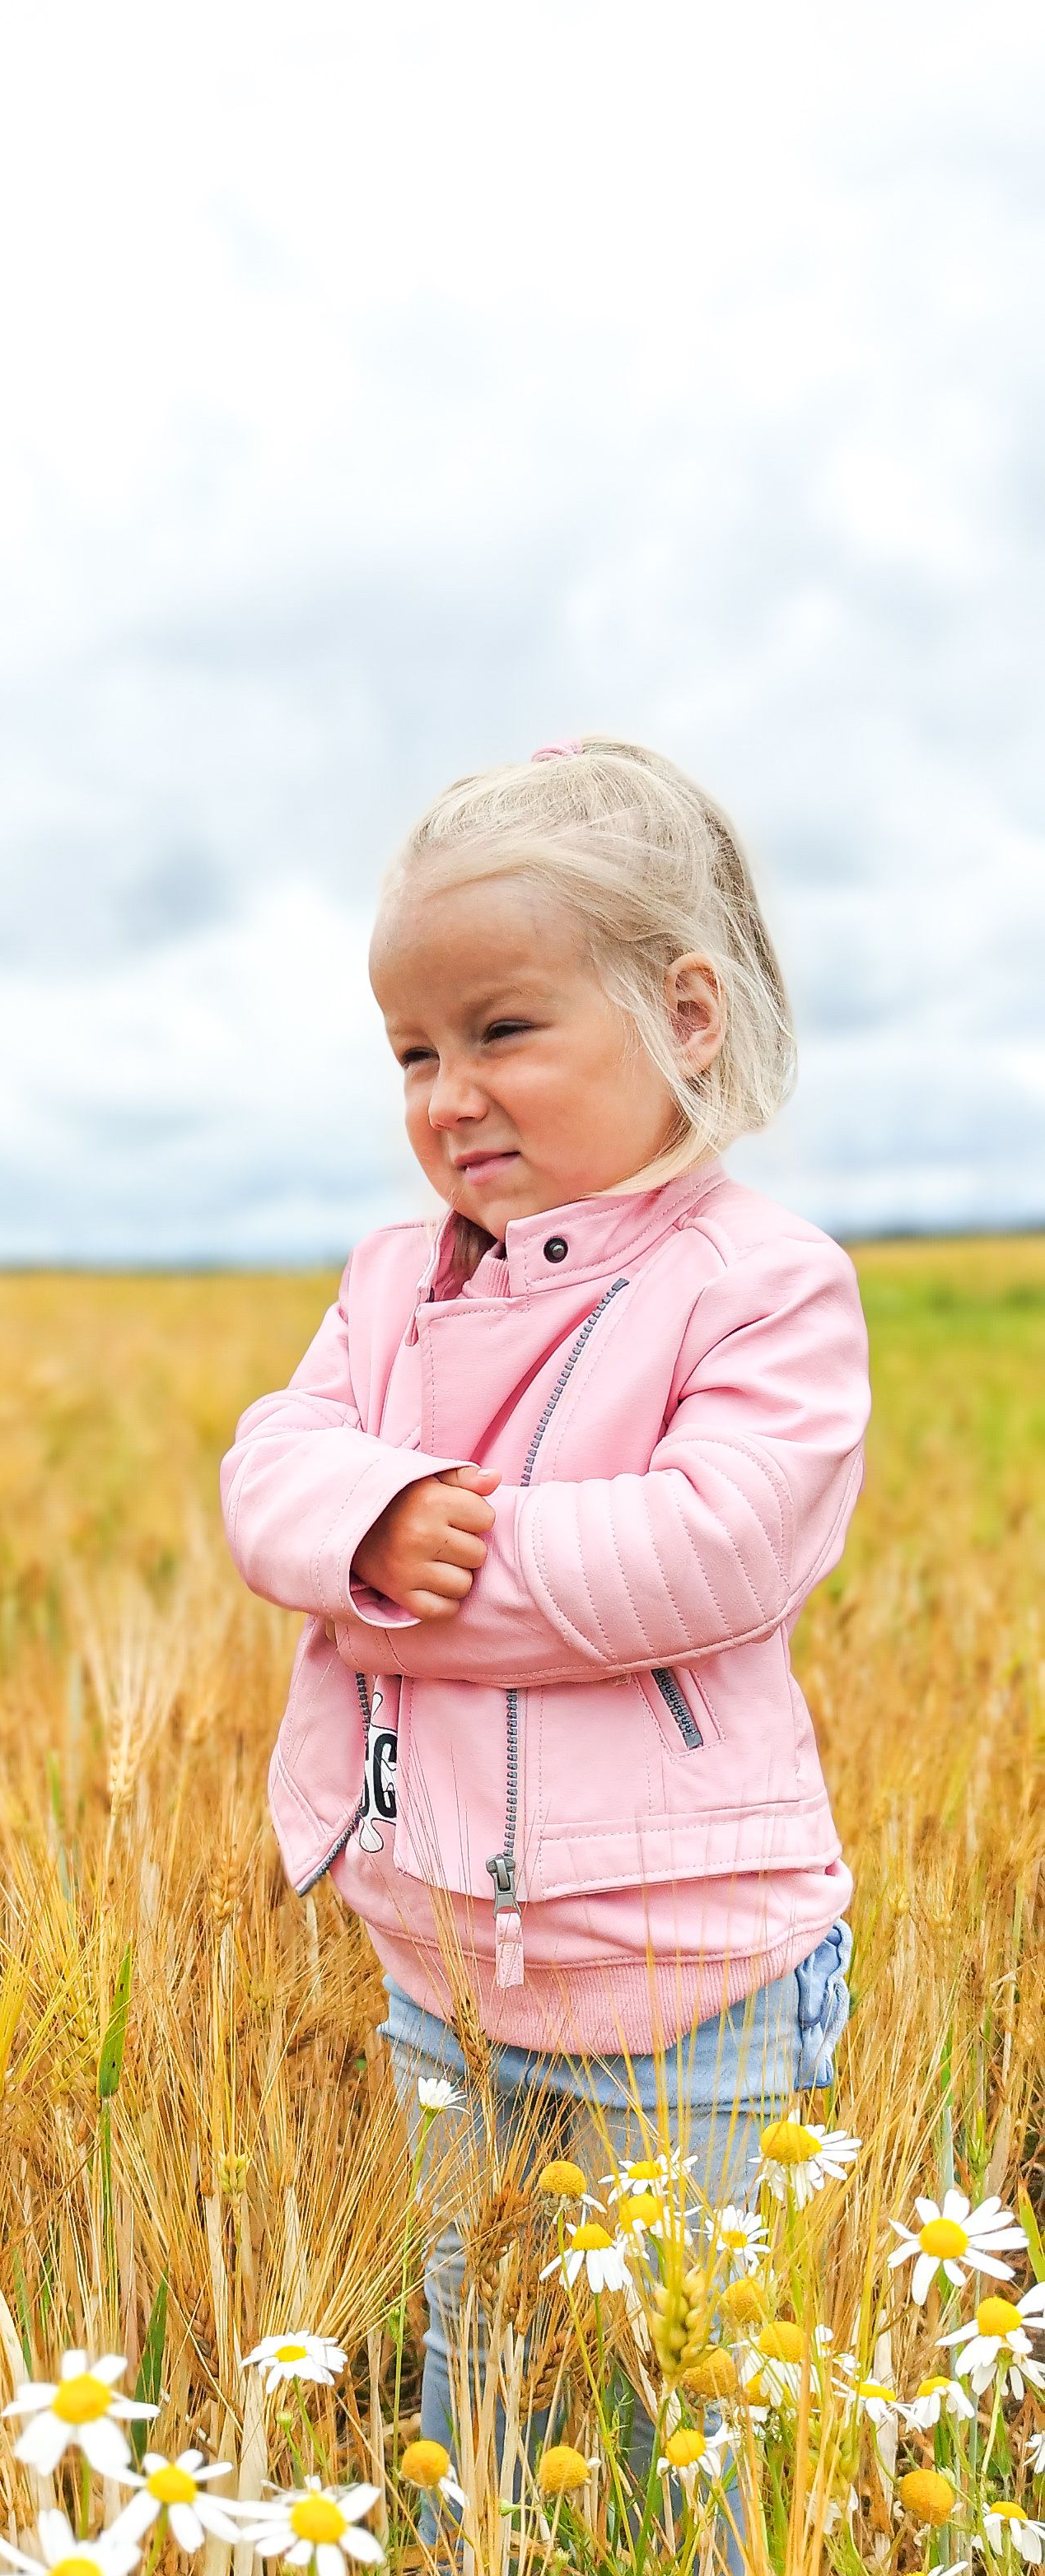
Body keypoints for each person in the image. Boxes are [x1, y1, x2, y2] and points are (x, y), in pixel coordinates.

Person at [220, 740, 870, 2488]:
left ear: (687, 1012)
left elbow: (708, 1553)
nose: (448, 1093)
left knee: (699, 2396)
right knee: (476, 2367)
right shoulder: (390, 1281)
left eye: (503, 1031)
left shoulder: (764, 1285)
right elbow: (270, 1464)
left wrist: (405, 1593)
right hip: (441, 1954)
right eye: (413, 1052)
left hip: (697, 1971)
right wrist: (365, 1518)